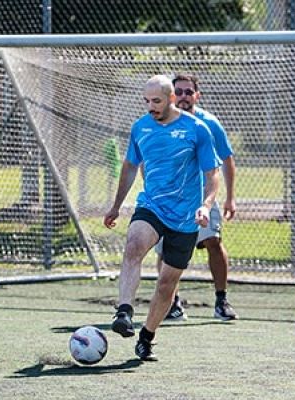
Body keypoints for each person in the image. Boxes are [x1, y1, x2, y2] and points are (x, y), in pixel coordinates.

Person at [104, 75, 220, 361]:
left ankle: (146, 337)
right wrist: (116, 206)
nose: (150, 107)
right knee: (134, 244)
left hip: (184, 218)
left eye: (156, 101)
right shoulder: (140, 127)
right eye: (146, 101)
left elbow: (211, 174)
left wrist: (206, 205)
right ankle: (124, 311)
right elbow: (130, 167)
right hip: (152, 206)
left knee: (167, 283)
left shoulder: (198, 130)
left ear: (171, 99)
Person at [155, 73, 238, 322]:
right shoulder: (159, 122)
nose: (183, 97)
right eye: (178, 92)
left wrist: (230, 198)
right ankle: (172, 303)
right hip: (168, 199)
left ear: (196, 95)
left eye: (188, 92)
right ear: (171, 96)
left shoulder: (209, 123)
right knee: (165, 250)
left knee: (213, 240)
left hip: (203, 197)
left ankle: (221, 300)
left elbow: (227, 159)